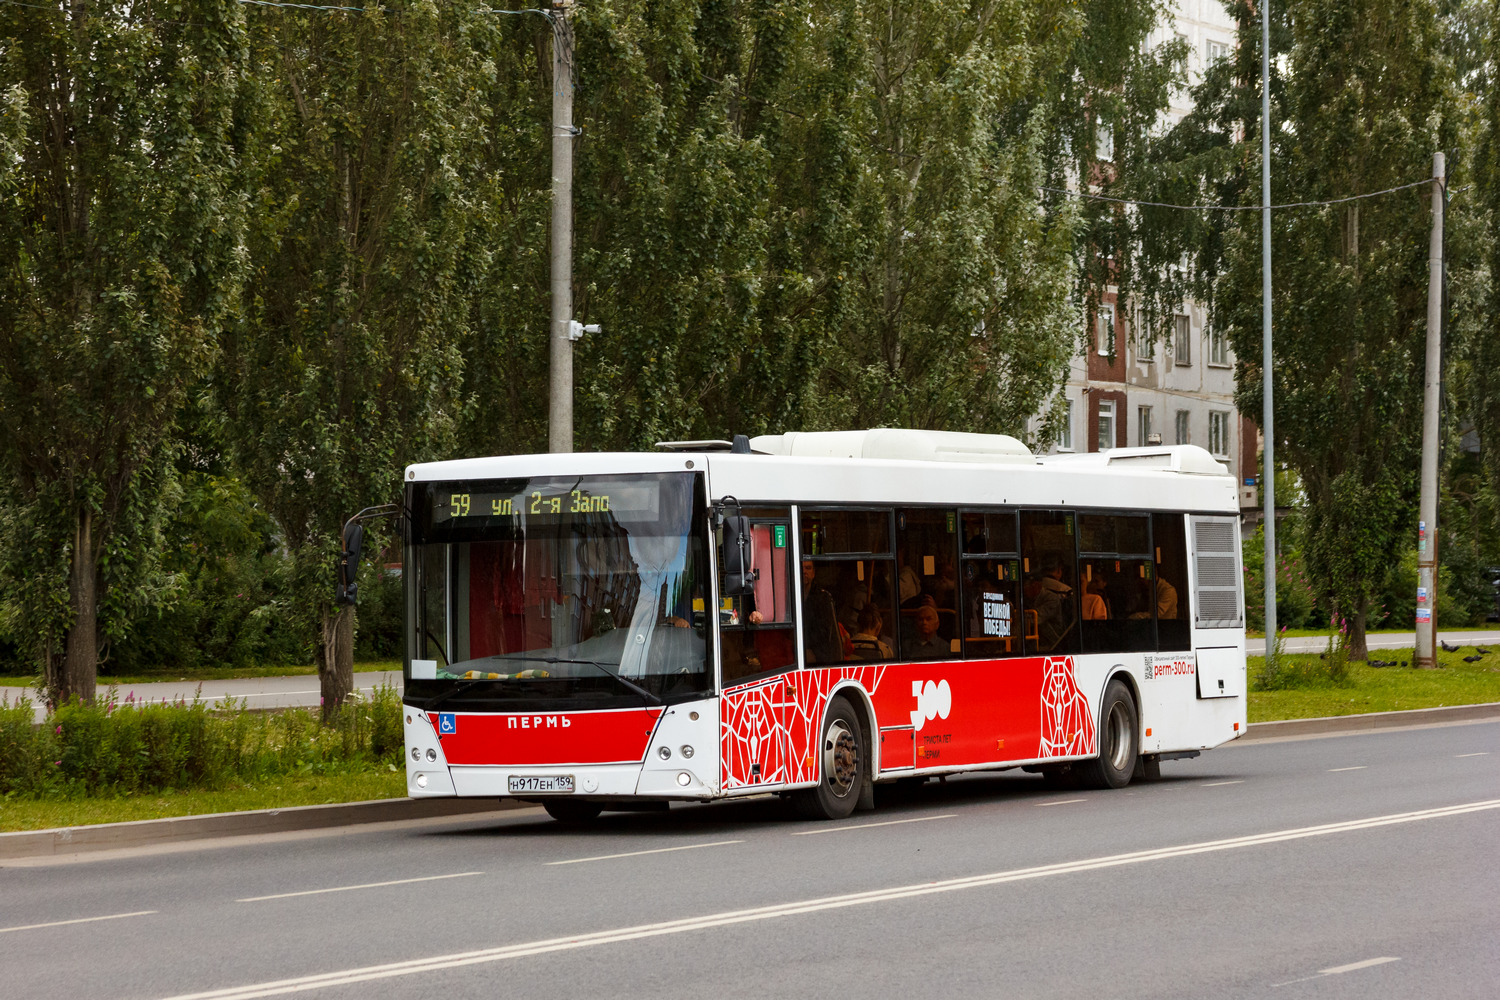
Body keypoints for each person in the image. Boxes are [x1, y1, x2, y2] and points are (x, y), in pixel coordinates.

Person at [801, 560, 843, 663]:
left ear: (813, 573)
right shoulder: (788, 597)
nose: (804, 571)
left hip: (820, 656)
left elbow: (825, 634)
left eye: (808, 568)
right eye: (801, 568)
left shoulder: (823, 598)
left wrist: (813, 653)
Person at [1031, 562, 1076, 651]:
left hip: (1051, 643)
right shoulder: (1066, 590)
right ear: (1059, 570)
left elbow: (1036, 618)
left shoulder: (1052, 596)